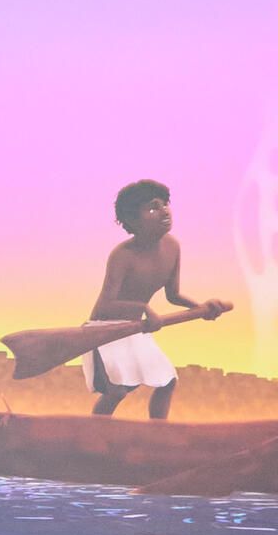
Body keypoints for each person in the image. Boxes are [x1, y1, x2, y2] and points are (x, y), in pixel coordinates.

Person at [87, 179, 231, 420]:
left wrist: (201, 308)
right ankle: (94, 433)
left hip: (136, 330)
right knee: (118, 390)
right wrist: (144, 308)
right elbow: (105, 305)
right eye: (153, 207)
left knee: (167, 382)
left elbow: (173, 294)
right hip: (106, 331)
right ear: (132, 220)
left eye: (165, 204)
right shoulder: (122, 256)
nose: (164, 210)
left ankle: (158, 431)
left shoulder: (172, 247)